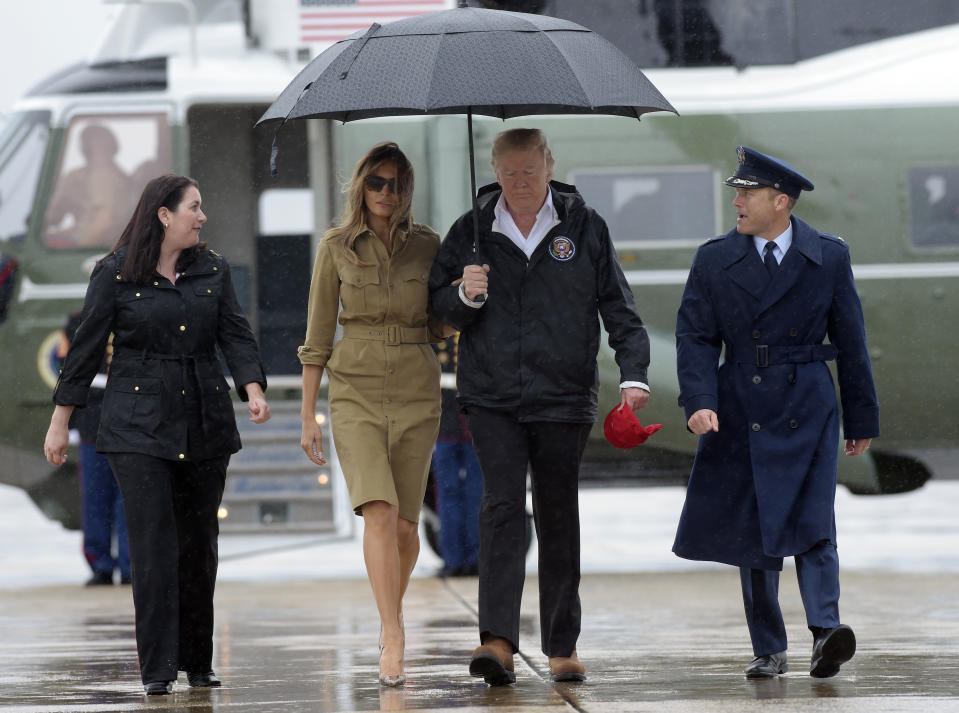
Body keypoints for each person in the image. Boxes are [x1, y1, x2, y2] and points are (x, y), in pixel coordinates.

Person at [428, 128, 651, 685]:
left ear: (550, 166)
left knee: (557, 513)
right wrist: (465, 293)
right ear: (495, 171)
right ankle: (497, 642)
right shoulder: (471, 231)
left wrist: (634, 373)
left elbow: (618, 306)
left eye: (530, 170)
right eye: (509, 172)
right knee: (500, 509)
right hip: (491, 397)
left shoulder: (584, 226)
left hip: (563, 395)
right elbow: (437, 309)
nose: (520, 182)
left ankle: (561, 645)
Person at [43, 174, 270, 695]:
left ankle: (198, 661)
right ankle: (158, 669)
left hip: (205, 418)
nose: (202, 216)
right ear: (164, 215)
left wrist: (252, 388)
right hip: (136, 425)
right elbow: (84, 349)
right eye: (194, 206)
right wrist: (61, 421)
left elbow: (234, 332)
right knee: (153, 546)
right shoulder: (114, 273)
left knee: (199, 546)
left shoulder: (212, 268)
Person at [672, 146, 880, 680]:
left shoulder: (827, 256)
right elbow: (695, 336)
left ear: (780, 201)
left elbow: (852, 341)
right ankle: (769, 646)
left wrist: (861, 419)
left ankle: (826, 630)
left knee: (814, 519)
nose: (737, 201)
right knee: (755, 529)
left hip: (808, 401)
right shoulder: (714, 258)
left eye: (747, 193)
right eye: (737, 192)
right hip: (741, 401)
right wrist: (699, 401)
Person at [298, 142, 444, 687]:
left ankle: (391, 614)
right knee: (379, 512)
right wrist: (307, 414)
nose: (388, 193)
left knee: (407, 527)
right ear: (361, 185)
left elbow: (442, 321)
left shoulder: (429, 245)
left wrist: (470, 297)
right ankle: (394, 632)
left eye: (397, 183)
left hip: (415, 385)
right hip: (354, 387)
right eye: (378, 182)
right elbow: (316, 338)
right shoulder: (335, 246)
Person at [59, 310, 131, 586]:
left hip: (130, 416)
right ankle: (100, 564)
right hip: (93, 417)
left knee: (129, 496)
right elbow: (66, 366)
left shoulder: (137, 311)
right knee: (96, 497)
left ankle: (130, 565)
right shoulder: (79, 319)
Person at [432, 333, 482, 578]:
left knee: (478, 492)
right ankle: (452, 558)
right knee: (448, 493)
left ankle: (477, 557)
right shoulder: (436, 325)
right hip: (444, 422)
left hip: (475, 419)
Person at [45, 123, 131, 248]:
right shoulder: (120, 176)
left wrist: (78, 251)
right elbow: (84, 220)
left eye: (100, 146)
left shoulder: (102, 175)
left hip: (93, 246)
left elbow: (103, 221)